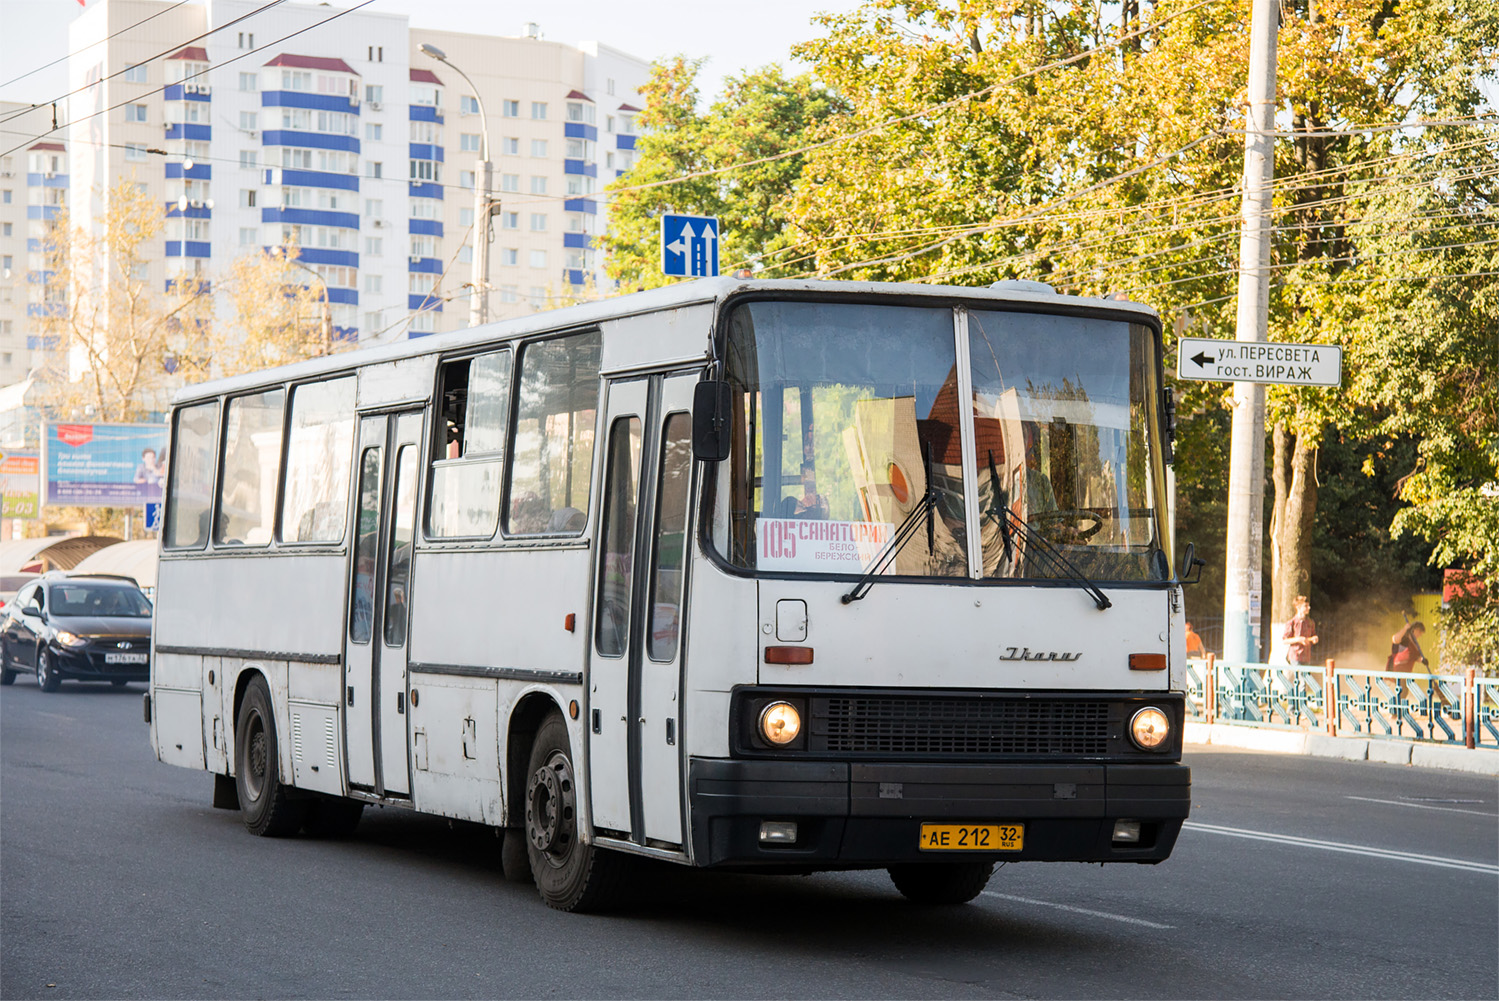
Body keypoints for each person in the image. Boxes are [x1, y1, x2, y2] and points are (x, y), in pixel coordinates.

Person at [1283, 594, 1320, 665]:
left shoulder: (1310, 622)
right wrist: (1299, 639)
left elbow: (1313, 635)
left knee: (1306, 676)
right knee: (1300, 676)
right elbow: (1285, 640)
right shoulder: (1292, 623)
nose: (1309, 608)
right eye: (1305, 606)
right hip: (1295, 656)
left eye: (1308, 606)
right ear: (1298, 607)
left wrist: (1314, 638)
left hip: (1307, 657)